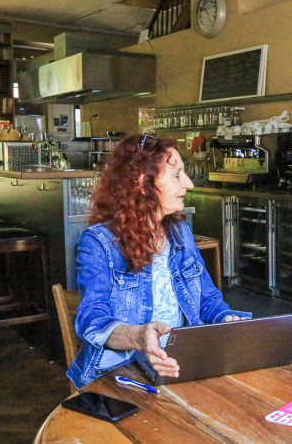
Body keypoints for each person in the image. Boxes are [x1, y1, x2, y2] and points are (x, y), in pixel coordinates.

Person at [67, 134, 250, 388]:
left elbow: (208, 301)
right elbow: (92, 319)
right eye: (177, 175)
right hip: (121, 374)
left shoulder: (180, 233)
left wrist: (225, 318)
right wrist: (139, 336)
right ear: (143, 182)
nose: (189, 184)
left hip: (182, 366)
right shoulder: (98, 242)